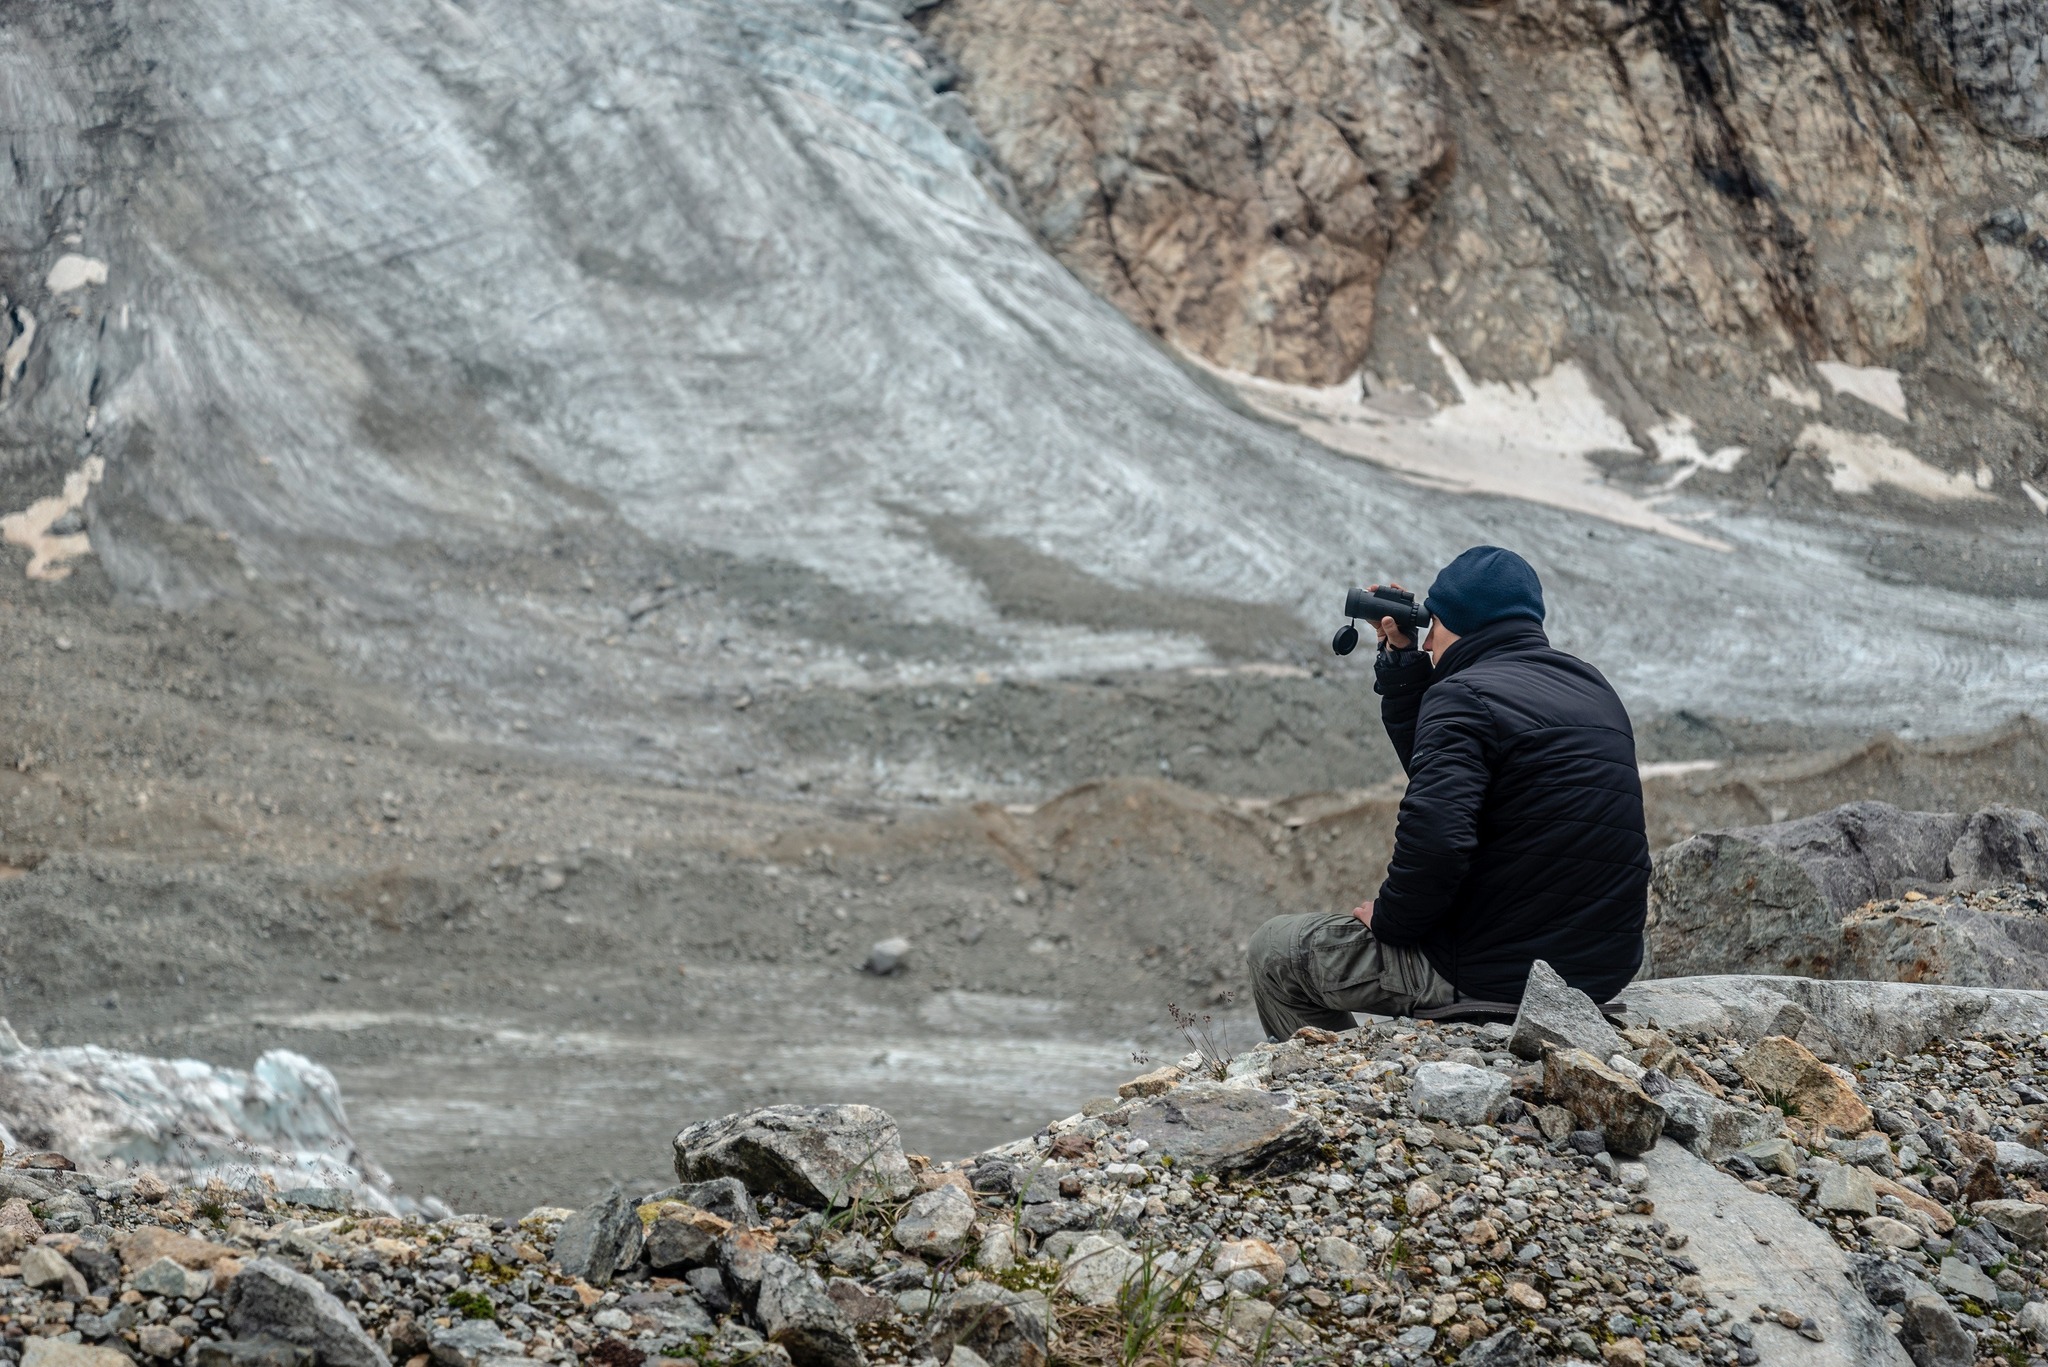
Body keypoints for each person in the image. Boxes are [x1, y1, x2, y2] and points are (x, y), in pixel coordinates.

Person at [1248, 546, 1650, 1038]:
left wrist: (1391, 922)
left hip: (1493, 975)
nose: (1430, 641)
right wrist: (1402, 666)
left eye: (1433, 626)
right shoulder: (1593, 687)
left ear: (1456, 622)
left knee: (1277, 950)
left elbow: (1438, 839)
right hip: (1596, 973)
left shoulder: (1463, 697)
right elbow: (1445, 774)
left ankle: (1335, 1073)